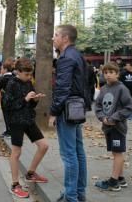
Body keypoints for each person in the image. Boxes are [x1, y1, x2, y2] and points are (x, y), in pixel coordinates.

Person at [49, 24, 90, 202]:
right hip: (76, 108)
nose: (53, 38)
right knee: (78, 151)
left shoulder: (66, 58)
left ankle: (71, 196)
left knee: (69, 154)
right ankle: (78, 193)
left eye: (56, 35)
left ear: (65, 38)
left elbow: (62, 88)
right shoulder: (78, 55)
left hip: (67, 109)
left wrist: (53, 112)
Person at [3, 59, 51, 198]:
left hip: (28, 119)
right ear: (18, 72)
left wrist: (34, 100)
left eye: (30, 75)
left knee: (44, 146)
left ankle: (30, 173)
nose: (29, 77)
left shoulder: (29, 83)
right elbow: (7, 106)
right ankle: (15, 184)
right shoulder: (11, 83)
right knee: (16, 152)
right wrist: (25, 99)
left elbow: (29, 105)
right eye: (26, 75)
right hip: (16, 121)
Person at [93, 63, 132, 191]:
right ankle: (121, 178)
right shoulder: (104, 89)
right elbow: (98, 106)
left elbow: (129, 108)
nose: (108, 75)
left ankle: (113, 181)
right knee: (115, 152)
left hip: (118, 127)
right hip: (107, 126)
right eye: (106, 72)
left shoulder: (122, 89)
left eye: (111, 72)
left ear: (117, 74)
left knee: (118, 153)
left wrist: (113, 119)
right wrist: (103, 118)